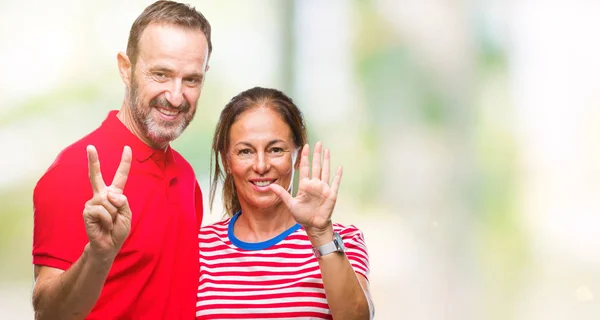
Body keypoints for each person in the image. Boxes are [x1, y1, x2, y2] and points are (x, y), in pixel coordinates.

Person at [31, 1, 212, 319]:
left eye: (191, 80)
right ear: (126, 69)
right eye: (160, 74)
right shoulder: (73, 171)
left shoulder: (185, 177)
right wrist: (97, 256)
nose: (175, 95)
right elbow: (48, 314)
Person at [196, 87, 374, 319]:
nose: (261, 166)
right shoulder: (199, 248)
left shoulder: (342, 240)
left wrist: (320, 234)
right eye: (245, 151)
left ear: (298, 156)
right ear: (226, 160)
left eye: (276, 149)